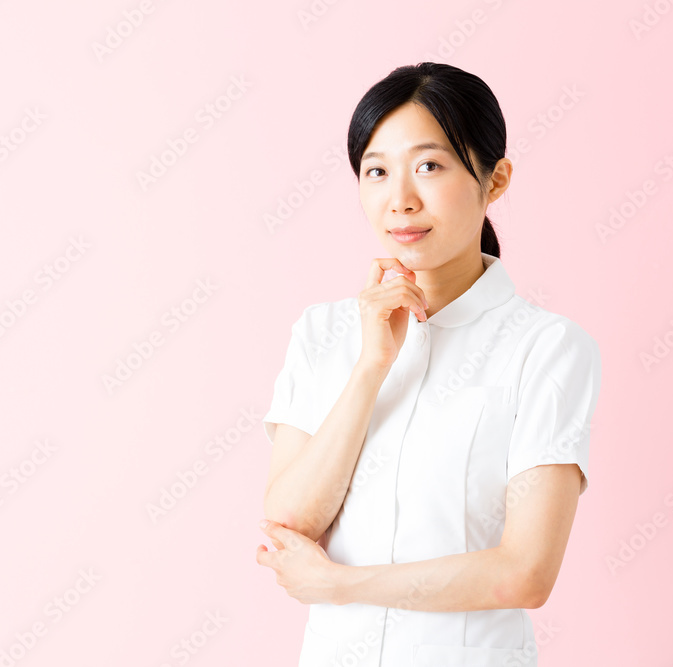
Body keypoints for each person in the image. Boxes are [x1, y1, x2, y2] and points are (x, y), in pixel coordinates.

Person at [254, 62, 602, 667]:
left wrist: (340, 585)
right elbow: (288, 520)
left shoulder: (546, 347)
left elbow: (525, 573)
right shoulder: (323, 332)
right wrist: (371, 367)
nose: (401, 201)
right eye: (377, 171)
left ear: (495, 181)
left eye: (430, 166)